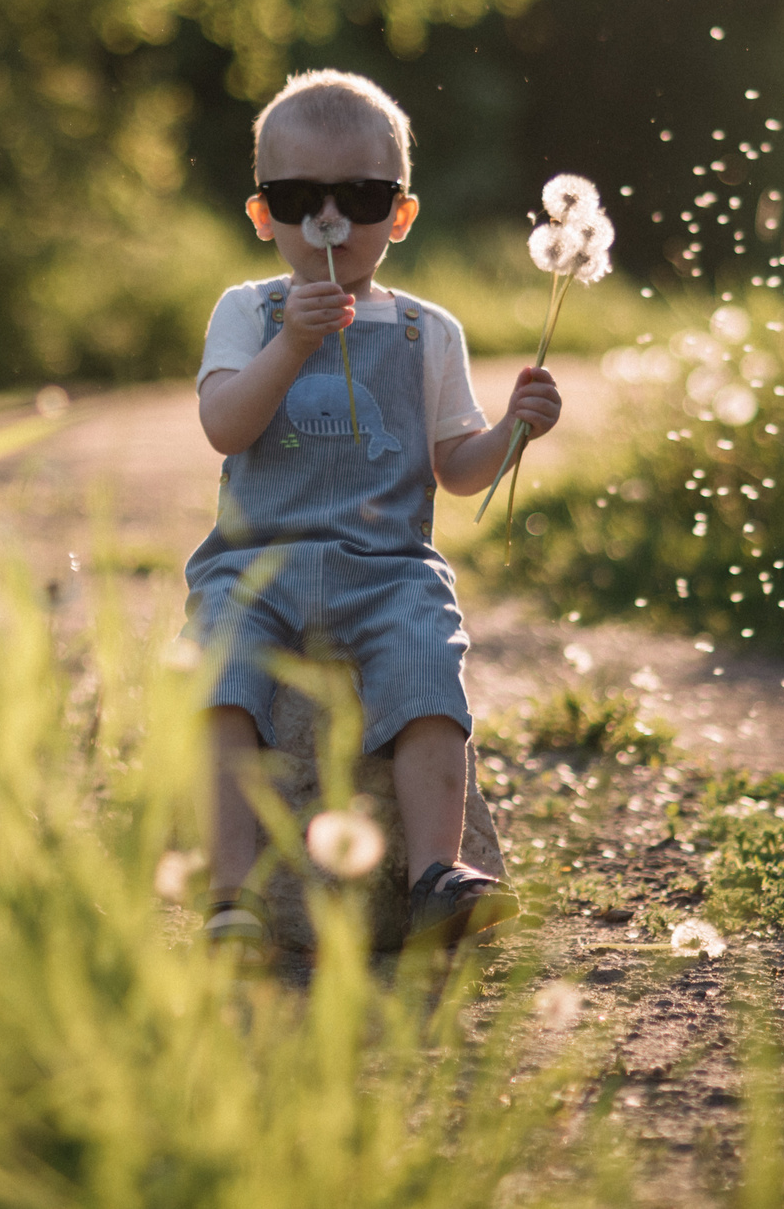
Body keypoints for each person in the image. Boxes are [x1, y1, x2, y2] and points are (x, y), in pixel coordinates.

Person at [183, 69, 562, 963]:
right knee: (224, 677)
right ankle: (230, 889)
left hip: (387, 564)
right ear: (261, 215)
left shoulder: (427, 331)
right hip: (259, 561)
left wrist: (512, 429)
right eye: (298, 198)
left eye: (359, 197)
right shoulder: (249, 312)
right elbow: (222, 424)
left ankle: (438, 871)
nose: (330, 222)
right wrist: (295, 344)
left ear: (400, 215)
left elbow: (457, 470)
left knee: (428, 667)